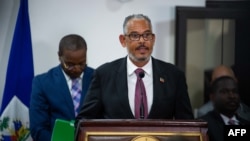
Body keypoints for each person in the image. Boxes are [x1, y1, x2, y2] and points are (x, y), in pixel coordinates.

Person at [75, 14, 194, 126]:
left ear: (153, 39)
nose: (142, 41)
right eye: (135, 36)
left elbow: (187, 124)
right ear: (123, 40)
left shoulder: (174, 75)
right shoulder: (104, 74)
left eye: (147, 35)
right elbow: (85, 121)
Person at [29, 34, 94, 141]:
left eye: (82, 63)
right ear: (59, 56)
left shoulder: (98, 78)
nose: (77, 69)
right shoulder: (42, 83)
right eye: (70, 64)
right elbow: (38, 128)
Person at [198, 76, 250, 141]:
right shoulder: (203, 126)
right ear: (212, 97)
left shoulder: (245, 123)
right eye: (224, 92)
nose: (232, 96)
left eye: (235, 91)